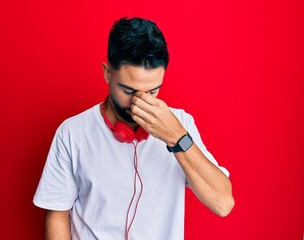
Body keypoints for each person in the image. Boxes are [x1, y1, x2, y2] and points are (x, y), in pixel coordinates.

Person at [33, 17, 234, 240]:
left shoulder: (180, 125)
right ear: (107, 73)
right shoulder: (72, 133)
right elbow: (58, 213)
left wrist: (176, 137)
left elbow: (223, 204)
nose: (139, 102)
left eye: (152, 91)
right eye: (129, 91)